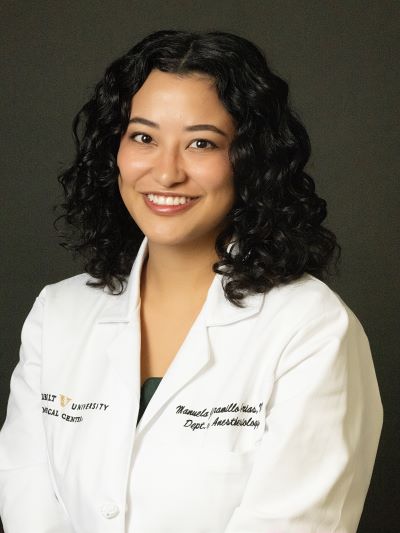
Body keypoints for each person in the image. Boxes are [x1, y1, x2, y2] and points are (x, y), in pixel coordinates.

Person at [0, 29, 383, 533]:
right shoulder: (58, 313)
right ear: (114, 150)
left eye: (202, 143)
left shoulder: (311, 328)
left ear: (250, 159)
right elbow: (29, 505)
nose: (166, 173)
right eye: (143, 137)